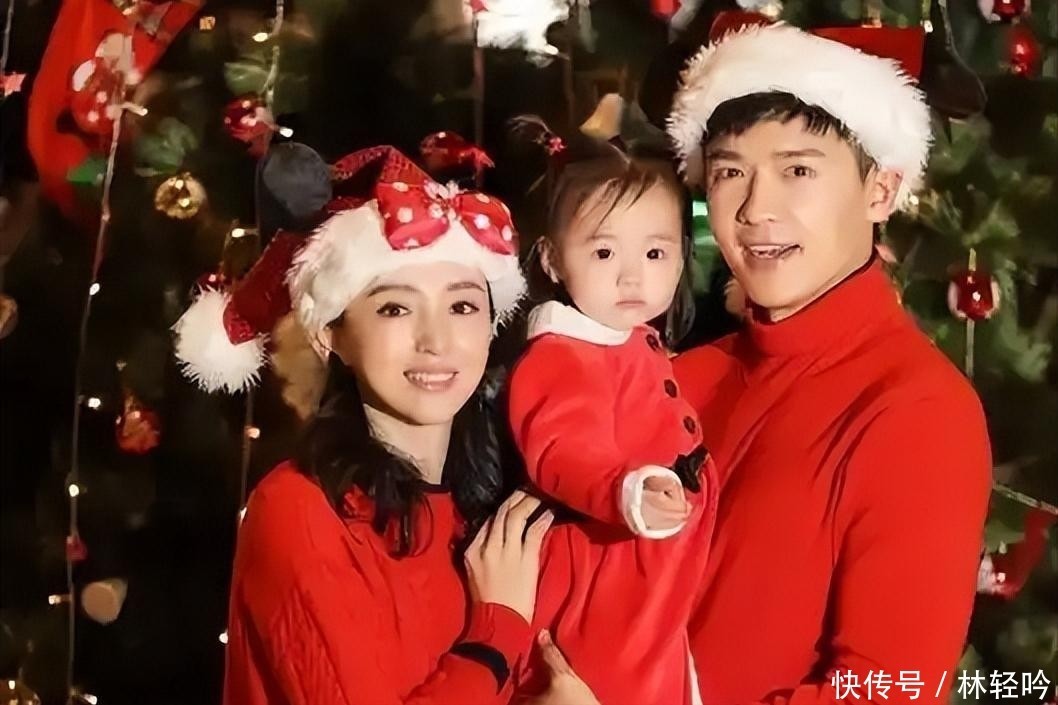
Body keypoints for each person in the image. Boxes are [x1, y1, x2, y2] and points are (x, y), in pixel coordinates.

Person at [664, 19, 992, 704]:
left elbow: (884, 691)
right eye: (730, 172)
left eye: (798, 170)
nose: (756, 209)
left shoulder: (918, 412)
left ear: (881, 190)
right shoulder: (678, 379)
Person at [173, 145, 552, 705]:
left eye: (463, 307)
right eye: (395, 308)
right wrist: (495, 635)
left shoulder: (498, 507)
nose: (436, 341)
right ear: (331, 334)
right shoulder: (299, 512)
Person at [505, 122, 719, 705]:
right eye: (603, 252)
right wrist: (625, 488)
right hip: (602, 577)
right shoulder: (562, 355)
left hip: (652, 579)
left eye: (655, 253)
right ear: (552, 259)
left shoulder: (632, 337)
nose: (632, 275)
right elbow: (561, 449)